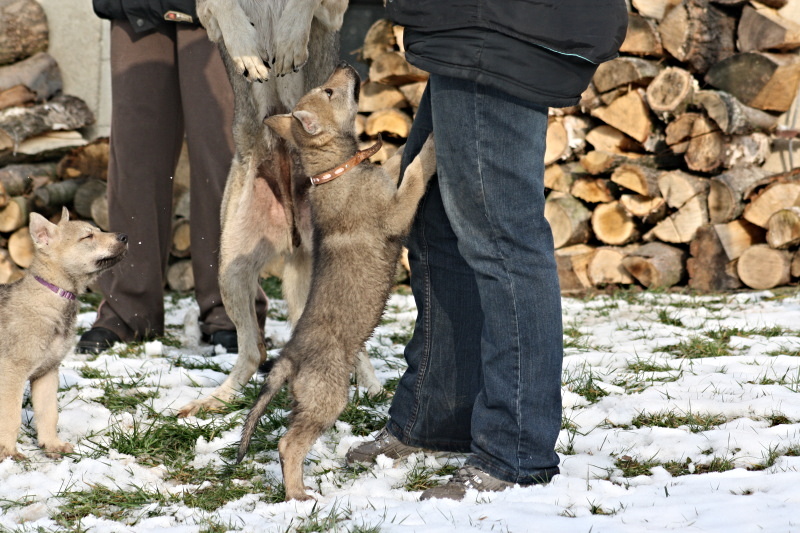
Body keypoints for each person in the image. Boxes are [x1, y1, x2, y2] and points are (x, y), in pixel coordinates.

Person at [346, 1, 628, 500]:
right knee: (435, 222)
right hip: (469, 26)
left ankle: (514, 451)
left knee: (502, 240)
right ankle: (438, 418)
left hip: (498, 28)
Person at [77, 0, 266, 354]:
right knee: (134, 161)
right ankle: (128, 309)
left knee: (223, 159)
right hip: (134, 7)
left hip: (220, 10)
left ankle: (231, 309)